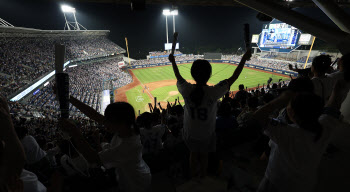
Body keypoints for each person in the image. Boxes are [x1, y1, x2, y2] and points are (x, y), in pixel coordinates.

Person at [168, 49, 251, 178]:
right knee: (205, 155)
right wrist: (244, 58)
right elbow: (234, 76)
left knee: (193, 154)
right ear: (209, 74)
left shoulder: (186, 89)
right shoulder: (214, 92)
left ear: (192, 74)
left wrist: (173, 61)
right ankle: (203, 177)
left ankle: (193, 177)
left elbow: (178, 75)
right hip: (207, 134)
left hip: (190, 134)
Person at [253, 82, 347, 192]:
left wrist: (282, 98)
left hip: (276, 183)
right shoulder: (324, 127)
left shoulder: (287, 133)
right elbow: (333, 107)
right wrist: (336, 91)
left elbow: (258, 116)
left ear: (292, 112)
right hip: (304, 185)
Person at [60, 101, 151, 192]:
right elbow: (95, 115)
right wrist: (69, 99)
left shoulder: (127, 147)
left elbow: (93, 159)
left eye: (108, 120)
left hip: (136, 185)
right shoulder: (127, 128)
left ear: (120, 123)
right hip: (135, 176)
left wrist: (74, 131)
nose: (104, 122)